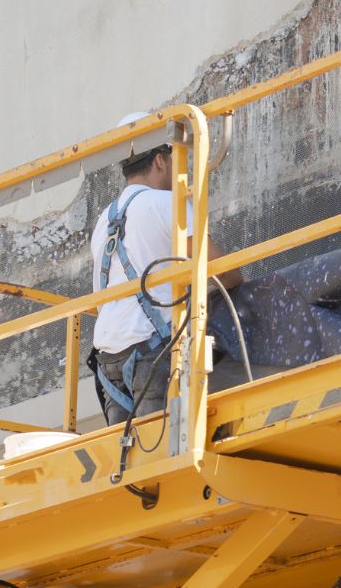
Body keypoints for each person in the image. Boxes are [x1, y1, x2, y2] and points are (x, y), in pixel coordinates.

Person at [90, 113, 239, 425]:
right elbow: (223, 272)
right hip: (150, 352)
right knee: (160, 450)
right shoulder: (166, 204)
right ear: (160, 160)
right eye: (174, 157)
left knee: (129, 464)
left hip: (108, 360)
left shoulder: (103, 221)